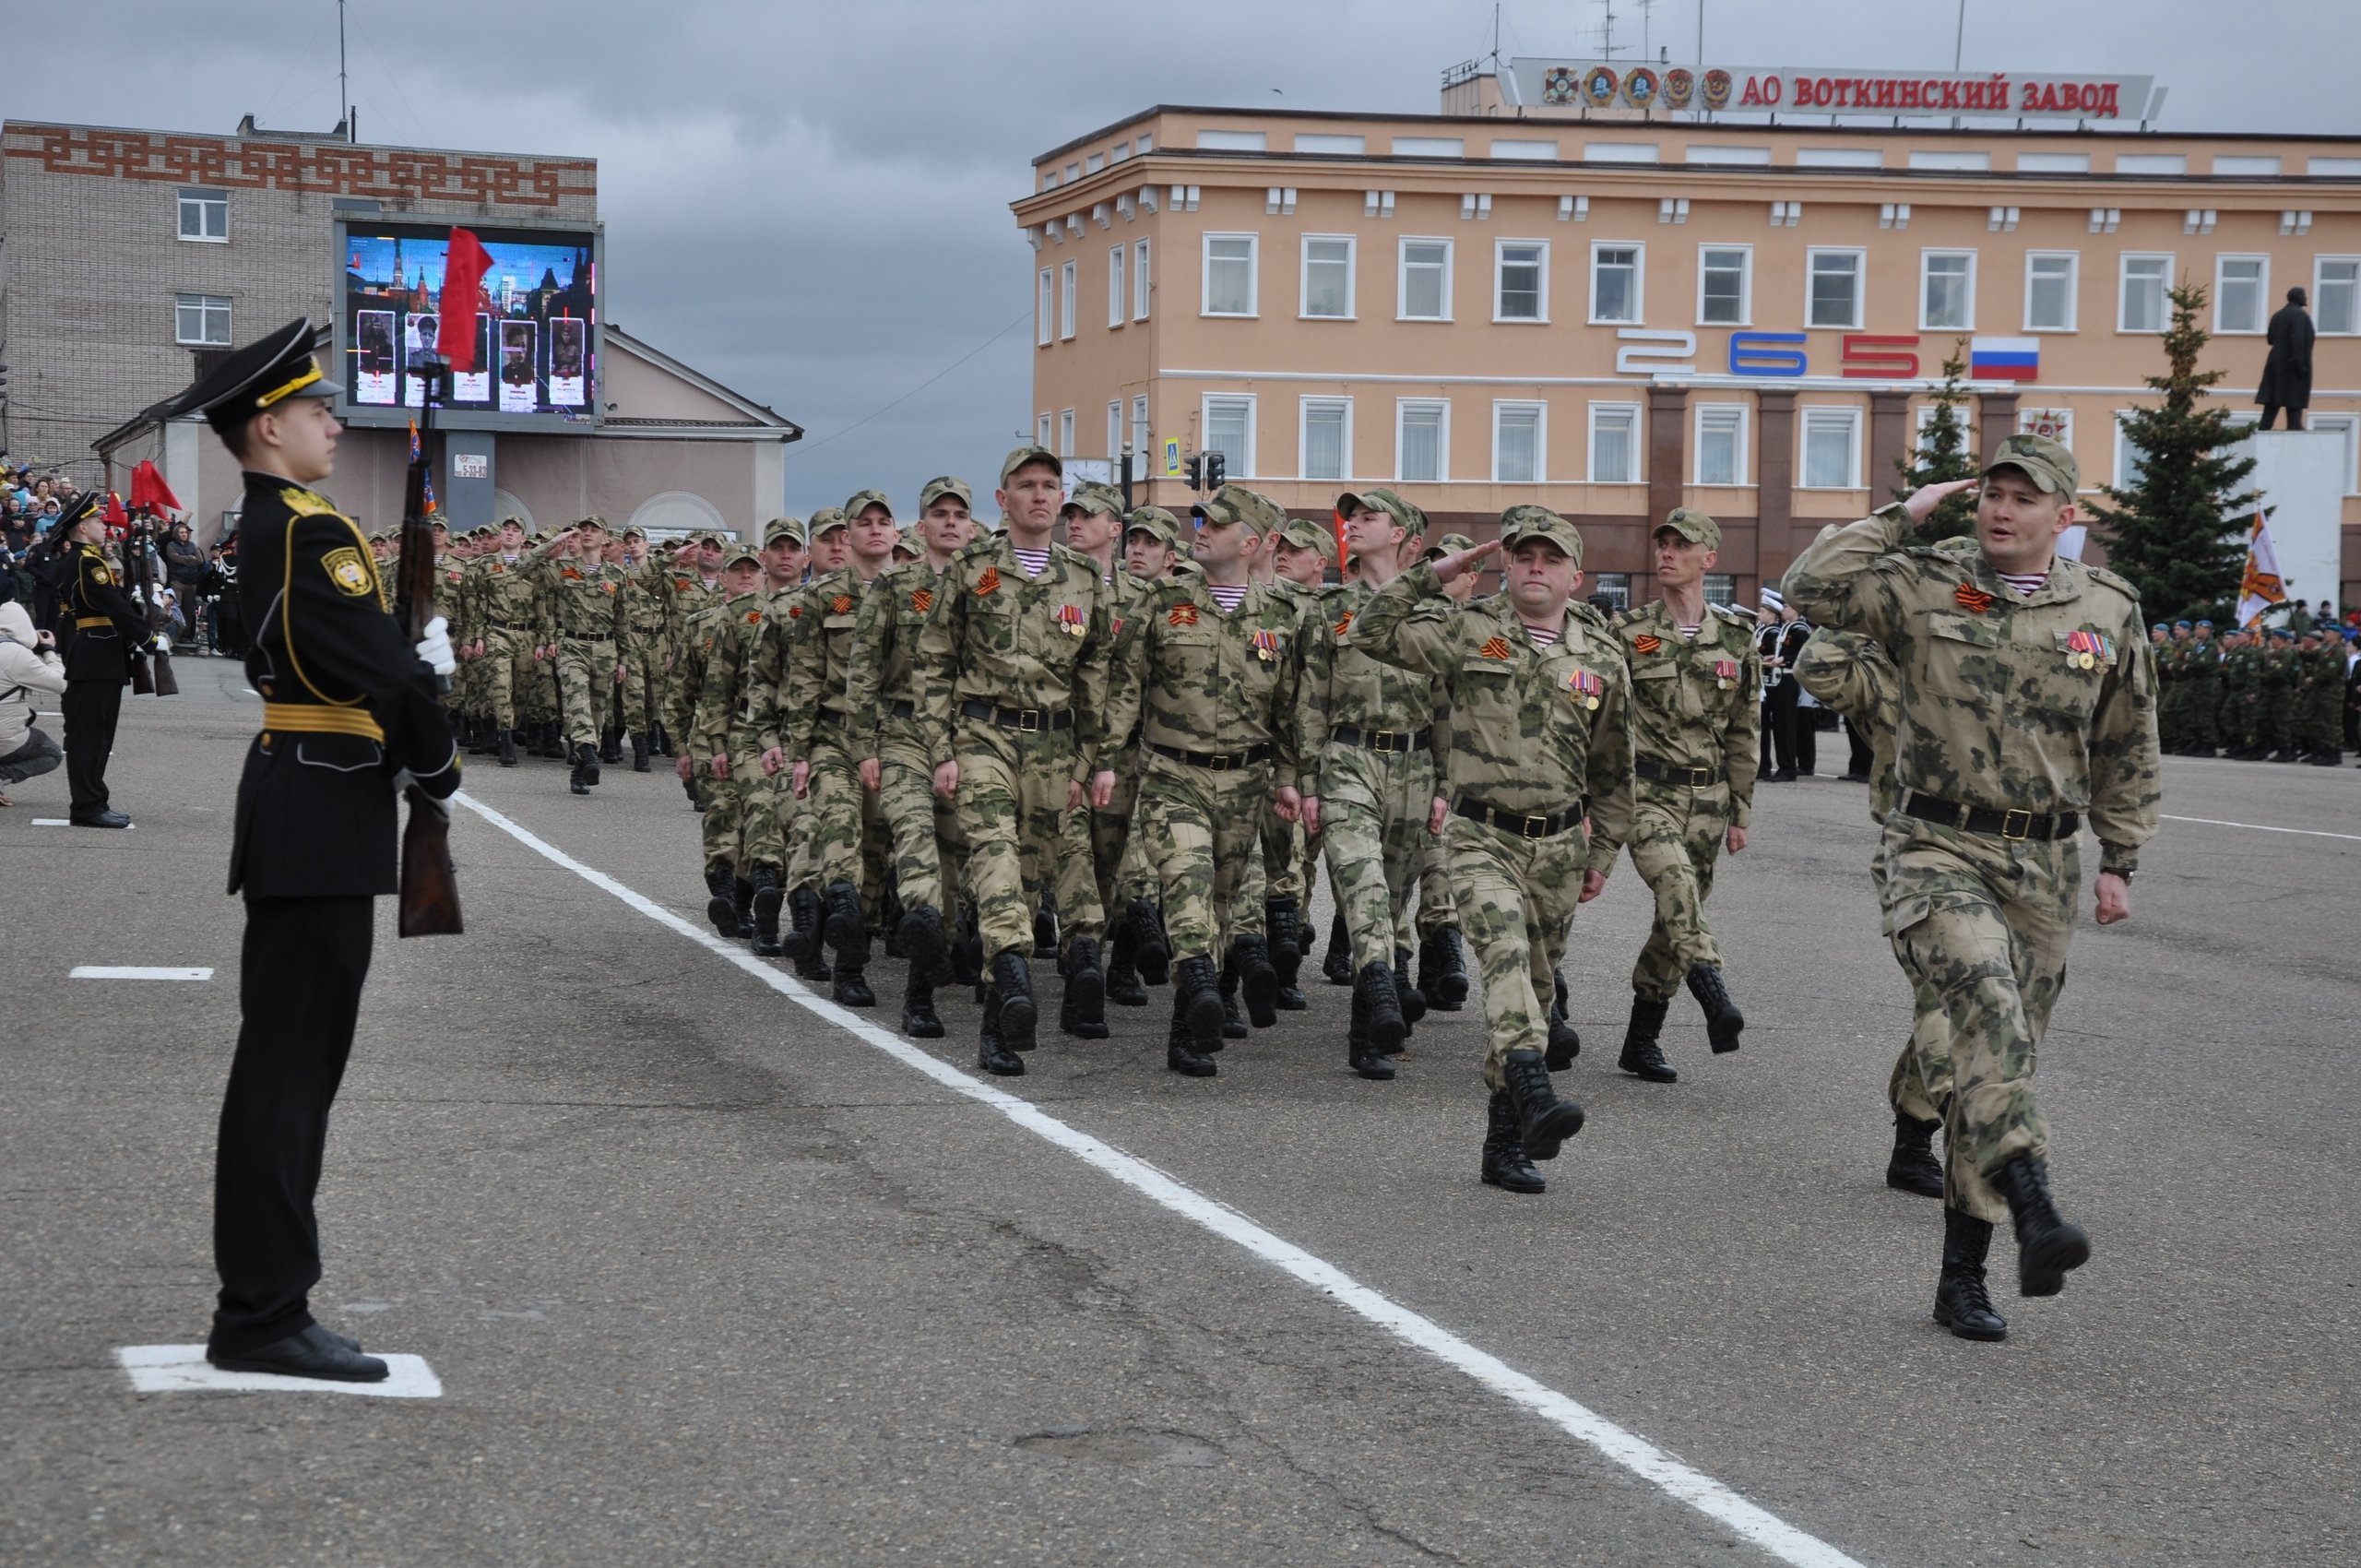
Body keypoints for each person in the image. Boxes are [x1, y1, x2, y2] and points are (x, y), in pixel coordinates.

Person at [1783, 433, 2160, 1338]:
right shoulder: (1923, 580)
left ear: (2062, 517)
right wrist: (1904, 512)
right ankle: (2032, 1198)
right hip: (1934, 844)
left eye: (2023, 497)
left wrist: (2119, 860)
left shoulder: (2104, 609)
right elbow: (1808, 587)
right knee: (1986, 1011)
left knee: (2003, 1059)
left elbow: (2125, 737)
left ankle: (1964, 1277)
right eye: (1991, 491)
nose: (2000, 508)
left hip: (2043, 863)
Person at [158, 317, 459, 1381]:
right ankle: (263, 1310)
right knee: (289, 1072)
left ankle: (266, 1299)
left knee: (289, 1067)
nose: (334, 420)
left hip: (306, 797)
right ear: (270, 424)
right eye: (318, 408)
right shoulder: (308, 528)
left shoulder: (276, 521)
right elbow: (382, 674)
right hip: (326, 805)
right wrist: (438, 760)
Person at [1352, 507, 1634, 1196]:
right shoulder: (1467, 629)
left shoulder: (1601, 658)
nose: (1535, 566)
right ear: (1505, 568)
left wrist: (1604, 858)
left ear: (1575, 576)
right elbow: (1374, 630)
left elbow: (1615, 770)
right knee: (1505, 960)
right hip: (1481, 836)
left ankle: (1506, 1142)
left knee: (1535, 991)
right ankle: (1536, 1094)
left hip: (1562, 847)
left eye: (1550, 558)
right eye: (1523, 556)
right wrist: (1438, 572)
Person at [916, 446, 1119, 1075]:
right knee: (996, 861)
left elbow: (1096, 675)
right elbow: (934, 660)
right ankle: (1013, 982)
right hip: (984, 737)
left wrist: (1094, 763)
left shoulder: (1083, 579)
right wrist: (941, 749)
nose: (1039, 495)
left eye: (1049, 485)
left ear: (1060, 500)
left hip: (1055, 751)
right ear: (1003, 501)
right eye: (1026, 485)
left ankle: (998, 1021)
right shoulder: (972, 567)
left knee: (1030, 883)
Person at [1102, 483, 1304, 1076]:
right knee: (1187, 885)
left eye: (1217, 525)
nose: (1202, 530)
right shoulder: (1162, 600)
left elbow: (1291, 709)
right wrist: (1106, 761)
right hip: (1171, 772)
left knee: (1216, 903)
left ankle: (1188, 1029)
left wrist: (1289, 778)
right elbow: (1125, 686)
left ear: (1255, 543)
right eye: (1202, 521)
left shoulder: (1282, 617)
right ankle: (1199, 980)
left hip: (1244, 783)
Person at [1599, 507, 1762, 1082]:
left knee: (1676, 919)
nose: (1666, 552)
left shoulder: (1737, 639)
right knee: (1674, 885)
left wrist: (1740, 810)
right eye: (1662, 543)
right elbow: (1605, 722)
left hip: (1710, 803)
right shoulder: (1627, 634)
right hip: (1647, 793)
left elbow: (1744, 730)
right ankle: (1715, 993)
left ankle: (1641, 1041)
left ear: (1708, 559)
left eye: (1680, 545)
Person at [1296, 489, 1442, 1079]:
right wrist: (1307, 780)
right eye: (1349, 517)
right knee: (1361, 882)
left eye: (1367, 517)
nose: (1352, 524)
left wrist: (1446, 785)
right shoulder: (1330, 609)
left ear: (1403, 534)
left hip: (1416, 766)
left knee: (1394, 893)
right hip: (1348, 757)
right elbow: (1309, 700)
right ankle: (1383, 985)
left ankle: (1367, 1034)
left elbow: (1450, 706)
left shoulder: (1437, 614)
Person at [849, 480, 977, 1037]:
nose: (950, 523)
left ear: (972, 526)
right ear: (920, 527)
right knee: (915, 839)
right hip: (901, 733)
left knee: (956, 862)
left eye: (959, 514)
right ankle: (919, 996)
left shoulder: (991, 584)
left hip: (969, 737)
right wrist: (861, 746)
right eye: (938, 514)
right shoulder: (899, 586)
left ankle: (942, 950)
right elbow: (864, 667)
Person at [45, 493, 150, 827]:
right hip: (95, 657)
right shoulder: (87, 562)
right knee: (90, 735)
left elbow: (109, 601)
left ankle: (95, 800)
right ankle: (87, 806)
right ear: (82, 526)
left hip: (95, 654)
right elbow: (110, 605)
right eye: (99, 522)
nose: (105, 527)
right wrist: (148, 636)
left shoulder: (83, 560)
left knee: (97, 735)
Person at [0, 599, 67, 805]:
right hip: (4, 738)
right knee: (52, 753)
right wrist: (48, 650)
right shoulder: (17, 654)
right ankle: (3, 775)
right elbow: (59, 683)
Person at [2258, 286, 2314, 431]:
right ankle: (2295, 426)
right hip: (2292, 364)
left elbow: (2270, 339)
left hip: (2275, 362)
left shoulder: (2277, 315)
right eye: (2304, 295)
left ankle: (2264, 428)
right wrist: (2300, 365)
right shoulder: (2300, 316)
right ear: (2298, 297)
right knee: (2294, 399)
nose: (2306, 298)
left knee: (2272, 401)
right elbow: (2298, 341)